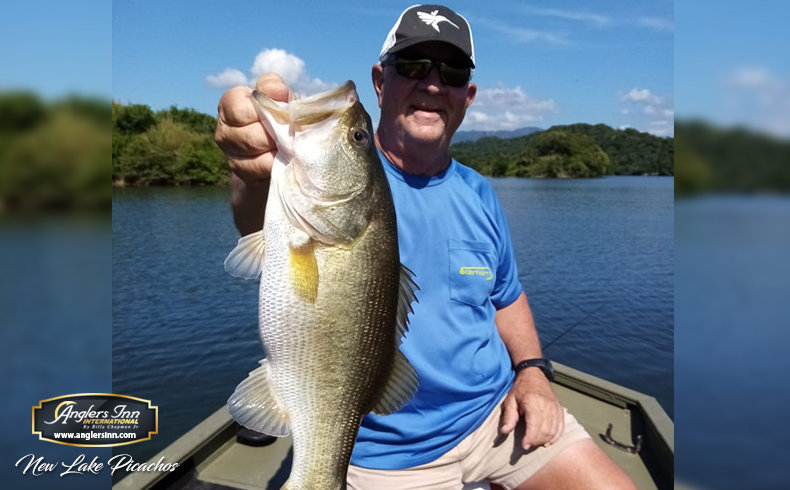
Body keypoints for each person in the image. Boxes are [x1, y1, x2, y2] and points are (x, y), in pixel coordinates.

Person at [215, 4, 636, 489]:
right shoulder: (315, 190)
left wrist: (534, 372)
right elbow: (256, 214)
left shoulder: (480, 192)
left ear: (467, 96)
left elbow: (507, 294)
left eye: (452, 72)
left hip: (496, 417)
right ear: (380, 81)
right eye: (413, 66)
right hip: (389, 452)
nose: (433, 84)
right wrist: (248, 173)